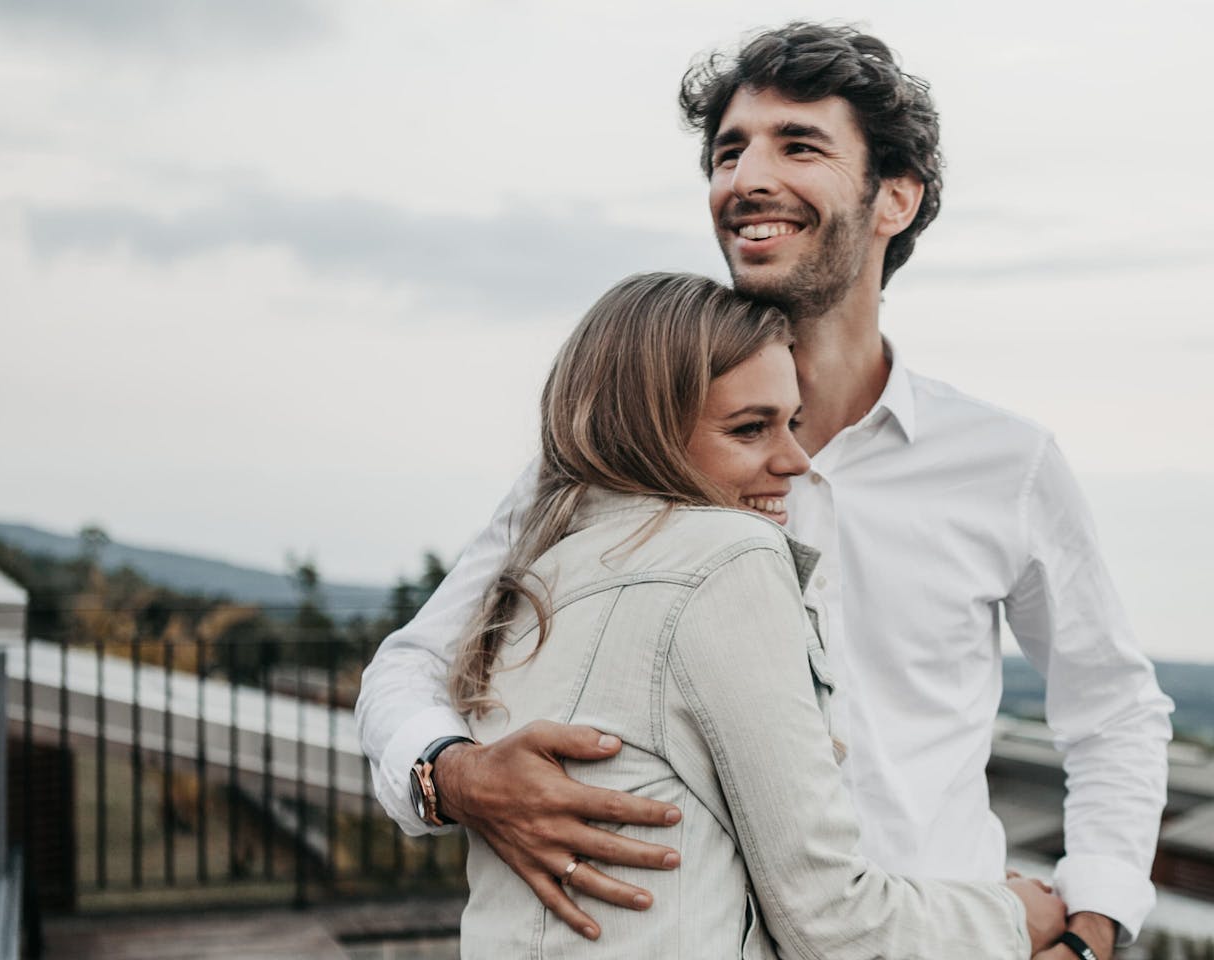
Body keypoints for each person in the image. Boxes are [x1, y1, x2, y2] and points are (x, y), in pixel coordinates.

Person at [357, 22, 1173, 960]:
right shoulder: (622, 451)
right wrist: (454, 778)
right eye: (728, 151)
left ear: (895, 196)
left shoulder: (1006, 462)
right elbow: (412, 665)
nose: (745, 178)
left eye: (799, 145)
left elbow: (1114, 711)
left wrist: (1093, 928)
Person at [453, 270, 1066, 957]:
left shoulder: (533, 574)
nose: (796, 461)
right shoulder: (729, 556)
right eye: (751, 429)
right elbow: (830, 920)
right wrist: (1016, 918)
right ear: (648, 431)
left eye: (791, 423)